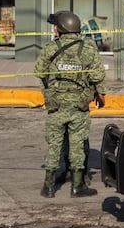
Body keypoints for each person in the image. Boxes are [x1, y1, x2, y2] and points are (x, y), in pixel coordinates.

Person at [35, 10, 106, 198]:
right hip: (79, 107)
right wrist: (100, 94)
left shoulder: (50, 48)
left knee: (54, 145)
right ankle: (77, 186)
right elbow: (98, 75)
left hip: (56, 106)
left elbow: (39, 72)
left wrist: (49, 91)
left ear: (59, 29)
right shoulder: (88, 48)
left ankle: (48, 187)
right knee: (77, 145)